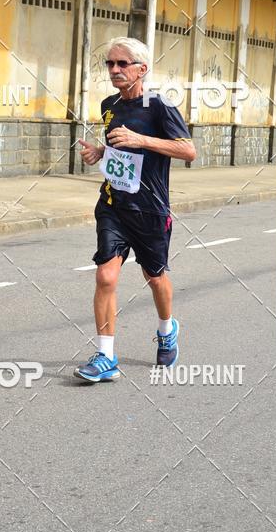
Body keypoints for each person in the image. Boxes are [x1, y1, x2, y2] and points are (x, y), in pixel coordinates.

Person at [74, 36, 196, 383]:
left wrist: (141, 140)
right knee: (105, 275)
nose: (114, 70)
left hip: (151, 209)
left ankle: (166, 327)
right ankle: (106, 356)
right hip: (114, 203)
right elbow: (120, 144)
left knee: (155, 277)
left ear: (142, 69)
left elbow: (188, 151)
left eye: (122, 64)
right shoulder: (108, 105)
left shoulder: (160, 105)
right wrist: (100, 151)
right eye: (110, 64)